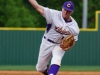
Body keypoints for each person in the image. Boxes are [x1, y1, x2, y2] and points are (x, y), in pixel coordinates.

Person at [28, 0, 80, 75]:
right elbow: (37, 7)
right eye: (64, 9)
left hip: (59, 45)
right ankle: (46, 71)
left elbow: (73, 40)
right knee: (40, 68)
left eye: (68, 11)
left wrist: (69, 45)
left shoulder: (75, 27)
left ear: (72, 12)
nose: (65, 12)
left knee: (57, 58)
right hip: (47, 42)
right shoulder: (53, 14)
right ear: (62, 8)